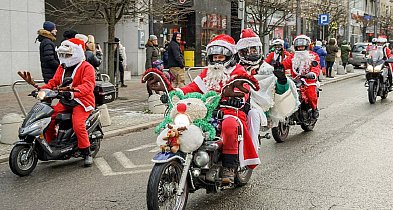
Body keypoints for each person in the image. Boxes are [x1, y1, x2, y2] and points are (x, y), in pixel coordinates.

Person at [146, 34, 260, 183]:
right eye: (214, 57)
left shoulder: (238, 72)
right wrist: (174, 93)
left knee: (229, 125)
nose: (217, 60)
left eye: (220, 57)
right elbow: (192, 88)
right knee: (183, 124)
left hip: (231, 112)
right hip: (205, 112)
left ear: (230, 56)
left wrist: (236, 99)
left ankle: (229, 166)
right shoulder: (207, 72)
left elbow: (244, 89)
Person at [236, 28, 299, 150]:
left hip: (256, 108)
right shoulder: (234, 68)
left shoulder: (266, 69)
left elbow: (277, 91)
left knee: (253, 115)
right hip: (234, 105)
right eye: (248, 50)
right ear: (241, 52)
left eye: (254, 49)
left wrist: (281, 80)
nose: (252, 53)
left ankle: (252, 151)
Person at [39, 38, 96, 166]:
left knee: (78, 124)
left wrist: (73, 92)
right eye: (63, 55)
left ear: (77, 53)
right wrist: (40, 90)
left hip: (82, 101)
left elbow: (88, 86)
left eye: (68, 55)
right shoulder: (62, 67)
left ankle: (86, 152)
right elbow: (54, 82)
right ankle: (52, 145)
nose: (65, 57)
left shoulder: (87, 67)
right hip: (66, 100)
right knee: (49, 118)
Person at [281, 35, 320, 118]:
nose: (300, 48)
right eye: (298, 47)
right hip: (295, 79)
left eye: (302, 47)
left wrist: (313, 73)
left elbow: (316, 66)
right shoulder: (292, 56)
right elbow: (285, 64)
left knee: (310, 94)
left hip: (309, 80)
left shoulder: (313, 55)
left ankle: (314, 108)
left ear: (306, 46)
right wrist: (278, 67)